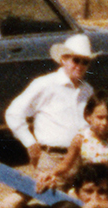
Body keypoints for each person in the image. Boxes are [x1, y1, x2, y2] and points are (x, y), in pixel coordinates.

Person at [6, 33, 96, 172]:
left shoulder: (88, 91)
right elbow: (13, 113)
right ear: (64, 59)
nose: (80, 66)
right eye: (76, 60)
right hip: (51, 157)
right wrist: (30, 143)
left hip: (80, 158)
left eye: (85, 62)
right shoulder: (45, 84)